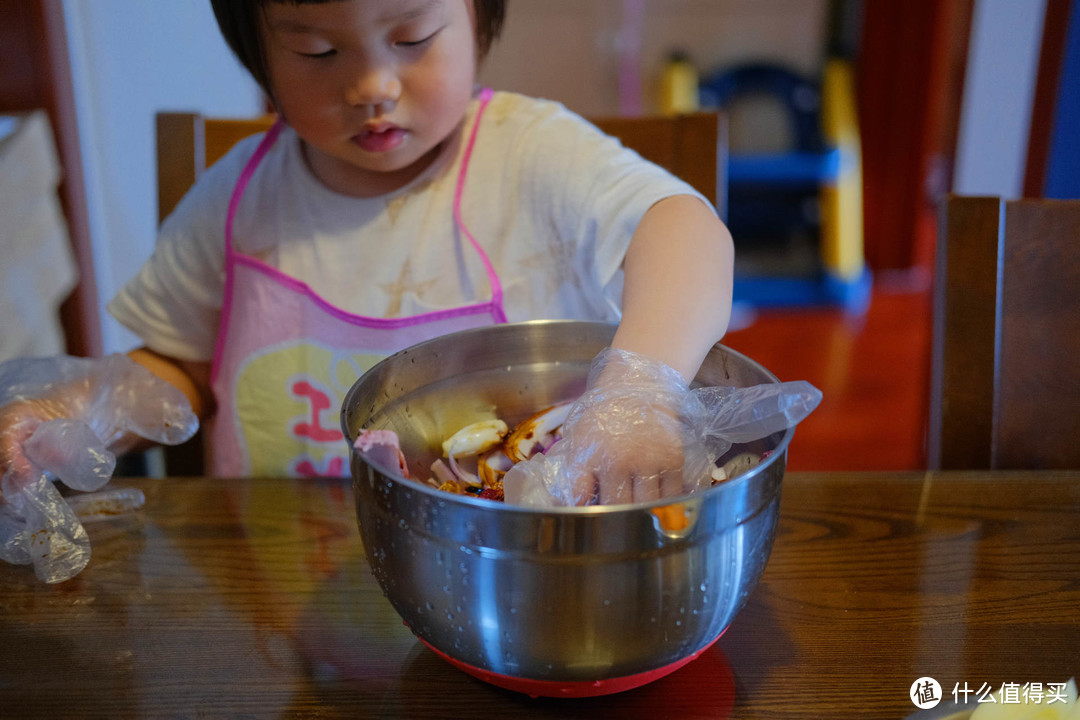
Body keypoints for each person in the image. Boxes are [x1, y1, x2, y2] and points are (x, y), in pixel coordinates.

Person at [0, 0, 733, 506]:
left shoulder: (532, 159)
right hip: (280, 585)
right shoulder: (238, 199)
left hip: (501, 572)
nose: (373, 86)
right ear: (259, 56)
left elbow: (683, 231)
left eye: (412, 37)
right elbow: (179, 366)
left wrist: (642, 388)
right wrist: (81, 416)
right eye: (317, 50)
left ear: (477, 19)